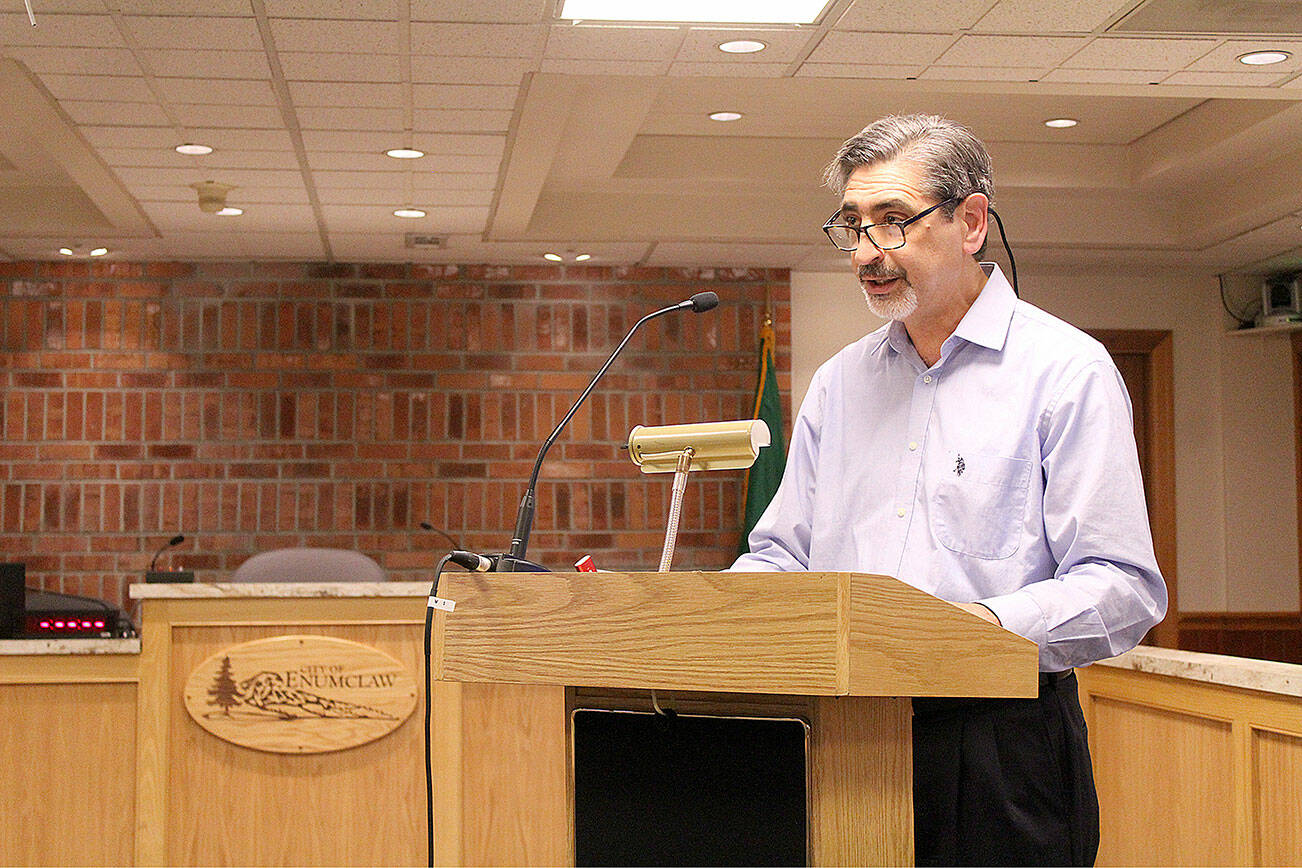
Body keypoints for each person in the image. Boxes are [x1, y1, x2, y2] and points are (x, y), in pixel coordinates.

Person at [731, 114, 1167, 866]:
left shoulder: (1066, 372)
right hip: (839, 736)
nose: (866, 252)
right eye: (853, 224)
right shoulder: (838, 384)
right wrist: (714, 619)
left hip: (999, 744)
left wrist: (966, 632)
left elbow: (1122, 586)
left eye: (893, 220)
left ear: (971, 222)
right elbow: (782, 556)